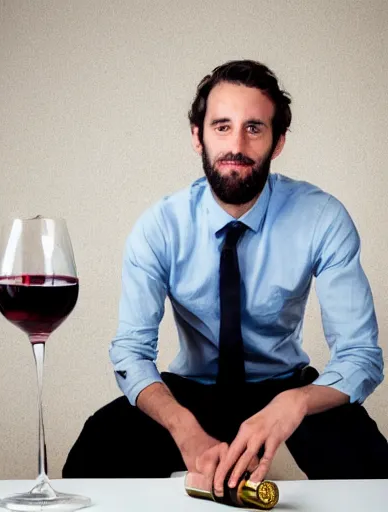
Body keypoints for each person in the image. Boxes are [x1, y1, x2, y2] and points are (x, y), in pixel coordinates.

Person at [62, 60, 388, 493]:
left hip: (284, 385)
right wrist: (184, 429)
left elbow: (361, 355)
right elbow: (130, 352)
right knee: (95, 451)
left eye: (254, 128)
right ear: (198, 137)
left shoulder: (322, 218)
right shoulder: (160, 226)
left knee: (372, 469)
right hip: (193, 386)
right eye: (221, 126)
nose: (236, 144)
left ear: (278, 142)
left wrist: (295, 403)